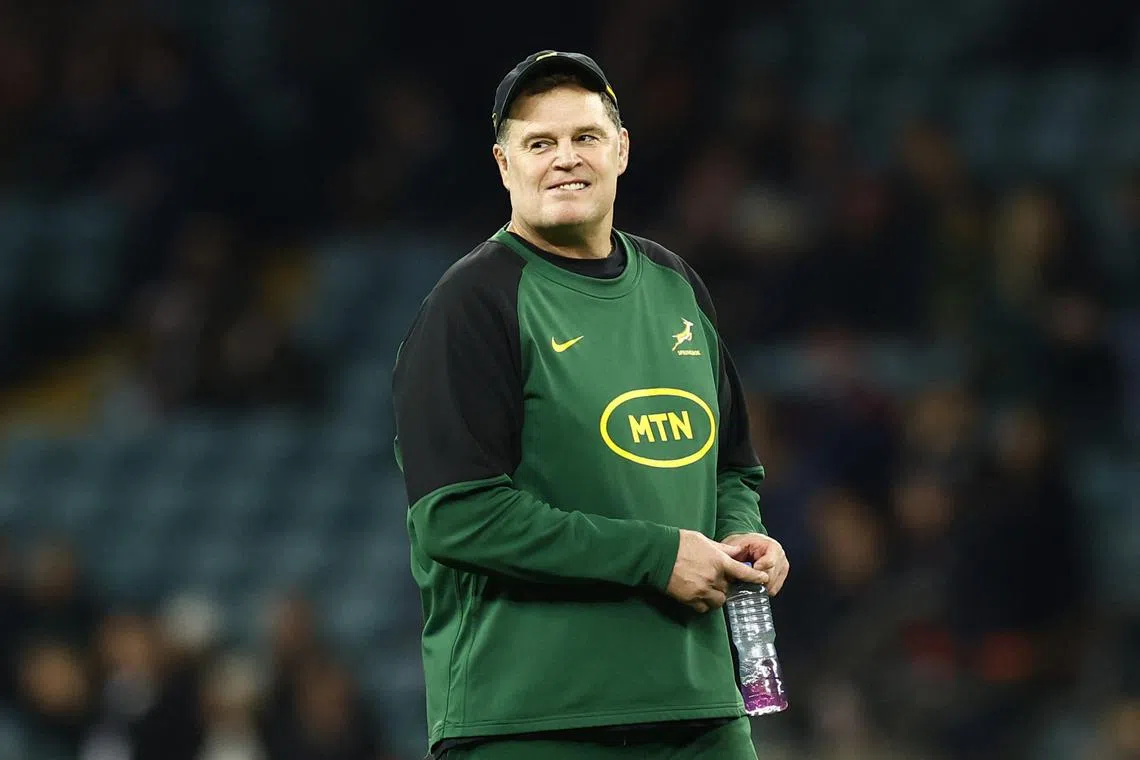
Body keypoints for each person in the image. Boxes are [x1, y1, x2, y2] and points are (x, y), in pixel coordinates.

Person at [391, 50, 790, 760]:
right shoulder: (471, 304)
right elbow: (456, 516)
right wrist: (657, 555)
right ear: (503, 164)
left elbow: (731, 469)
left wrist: (741, 533)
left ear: (622, 149)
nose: (564, 159)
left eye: (584, 137)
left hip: (700, 710)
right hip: (534, 722)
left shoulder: (676, 287)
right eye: (538, 144)